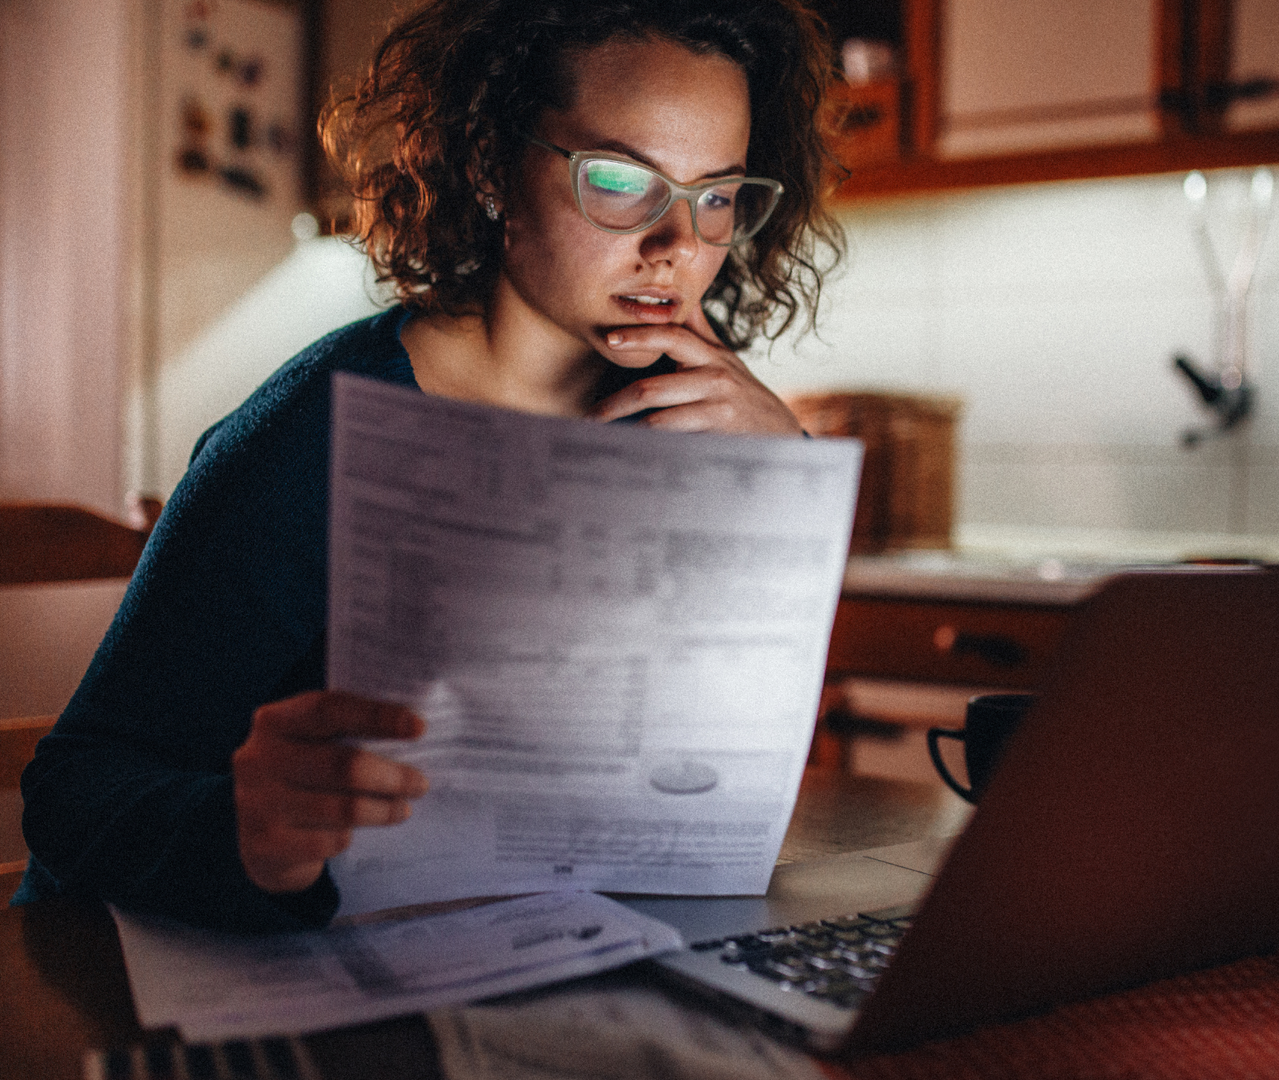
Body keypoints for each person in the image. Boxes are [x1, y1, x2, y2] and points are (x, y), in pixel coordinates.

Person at [15, 0, 844, 931]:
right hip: (225, 969)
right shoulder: (312, 429)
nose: (680, 246)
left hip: (542, 957)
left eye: (717, 195)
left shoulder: (710, 429)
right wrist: (245, 832)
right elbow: (74, 786)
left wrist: (786, 488)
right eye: (620, 179)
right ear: (491, 166)